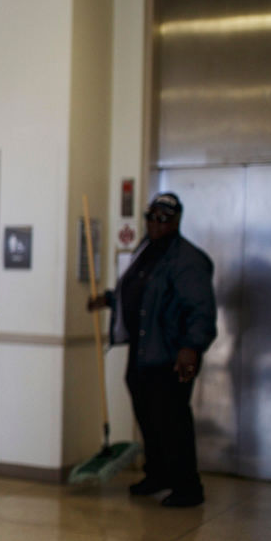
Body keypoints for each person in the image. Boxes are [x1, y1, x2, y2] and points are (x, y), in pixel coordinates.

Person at [89, 192, 217, 508]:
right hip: (143, 352)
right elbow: (141, 295)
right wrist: (109, 299)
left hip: (171, 356)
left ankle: (188, 487)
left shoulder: (187, 260)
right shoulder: (146, 251)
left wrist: (192, 347)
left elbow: (200, 309)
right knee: (148, 419)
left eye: (163, 218)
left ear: (175, 221)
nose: (156, 224)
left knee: (172, 422)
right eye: (151, 217)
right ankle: (157, 475)